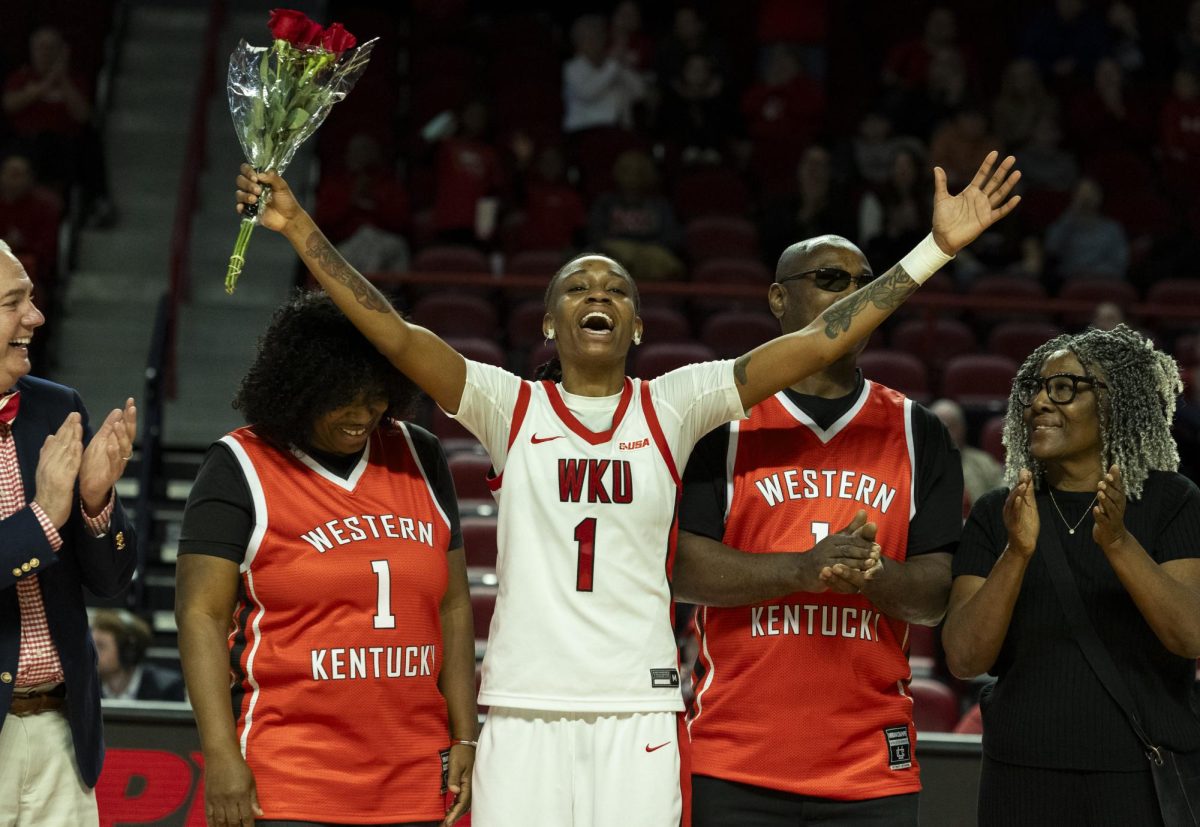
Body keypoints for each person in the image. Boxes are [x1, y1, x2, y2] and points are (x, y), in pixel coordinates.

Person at [234, 150, 1020, 825]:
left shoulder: (676, 405)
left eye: (615, 290)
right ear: (549, 324)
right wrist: (302, 228)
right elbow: (396, 335)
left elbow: (819, 336)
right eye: (577, 289)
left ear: (639, 327)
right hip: (521, 708)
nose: (598, 295)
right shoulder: (510, 406)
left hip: (639, 710)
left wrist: (933, 250)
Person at [674, 235, 964, 826]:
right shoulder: (723, 424)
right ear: (779, 299)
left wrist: (875, 575)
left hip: (871, 768)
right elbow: (682, 570)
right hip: (733, 760)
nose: (855, 295)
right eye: (832, 279)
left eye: (864, 283)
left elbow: (936, 597)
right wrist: (803, 569)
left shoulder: (918, 430)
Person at [175, 292, 477, 827]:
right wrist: (220, 755)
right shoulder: (239, 464)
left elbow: (453, 606)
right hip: (291, 778)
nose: (363, 416)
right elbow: (201, 616)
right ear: (301, 388)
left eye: (376, 397)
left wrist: (465, 734)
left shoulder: (420, 454)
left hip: (415, 775)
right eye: (344, 399)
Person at [942, 325, 1200, 826]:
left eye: (1063, 388)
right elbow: (964, 657)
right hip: (1021, 775)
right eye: (1034, 388)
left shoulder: (1174, 502)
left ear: (1115, 403)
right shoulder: (1000, 512)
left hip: (1139, 774)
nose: (1039, 402)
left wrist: (1119, 544)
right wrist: (1016, 554)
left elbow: (1189, 634)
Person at [0, 238, 138, 825]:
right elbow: (37, 530)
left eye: (31, 299)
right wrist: (41, 519)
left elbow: (109, 582)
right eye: (14, 302)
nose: (36, 317)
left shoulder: (59, 409)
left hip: (63, 734)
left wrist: (95, 502)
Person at [91, 608, 184, 702]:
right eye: (91, 646)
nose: (92, 654)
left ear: (128, 651)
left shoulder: (167, 688)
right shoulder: (86, 687)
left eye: (100, 646)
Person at [932, 397, 1003, 507]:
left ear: (963, 428)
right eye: (939, 427)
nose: (945, 433)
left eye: (951, 426)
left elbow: (1005, 497)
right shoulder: (915, 466)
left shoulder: (984, 462)